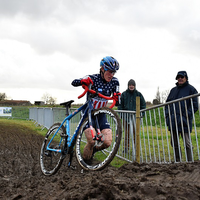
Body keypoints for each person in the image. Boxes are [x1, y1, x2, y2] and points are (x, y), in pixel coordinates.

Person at [71, 56, 120, 162]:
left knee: (107, 142)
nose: (111, 75)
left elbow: (118, 97)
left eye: (114, 72)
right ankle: (85, 162)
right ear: (102, 69)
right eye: (110, 72)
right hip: (88, 112)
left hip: (101, 114)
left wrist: (117, 97)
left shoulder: (115, 82)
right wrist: (83, 81)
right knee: (92, 141)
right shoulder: (93, 78)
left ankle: (92, 151)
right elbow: (74, 82)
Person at [165, 71, 198, 162]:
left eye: (182, 77)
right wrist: (168, 116)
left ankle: (190, 162)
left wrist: (185, 116)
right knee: (174, 143)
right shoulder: (173, 90)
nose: (180, 78)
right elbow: (167, 104)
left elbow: (195, 106)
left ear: (186, 78)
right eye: (178, 77)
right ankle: (177, 162)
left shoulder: (191, 90)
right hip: (173, 121)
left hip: (184, 121)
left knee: (187, 143)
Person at [118, 79, 146, 153]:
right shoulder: (124, 94)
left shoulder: (138, 94)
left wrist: (141, 114)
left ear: (134, 86)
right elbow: (120, 105)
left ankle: (135, 148)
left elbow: (143, 105)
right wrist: (122, 115)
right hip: (126, 117)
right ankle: (126, 148)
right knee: (126, 133)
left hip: (135, 118)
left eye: (132, 85)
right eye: (130, 85)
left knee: (135, 133)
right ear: (128, 86)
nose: (131, 86)